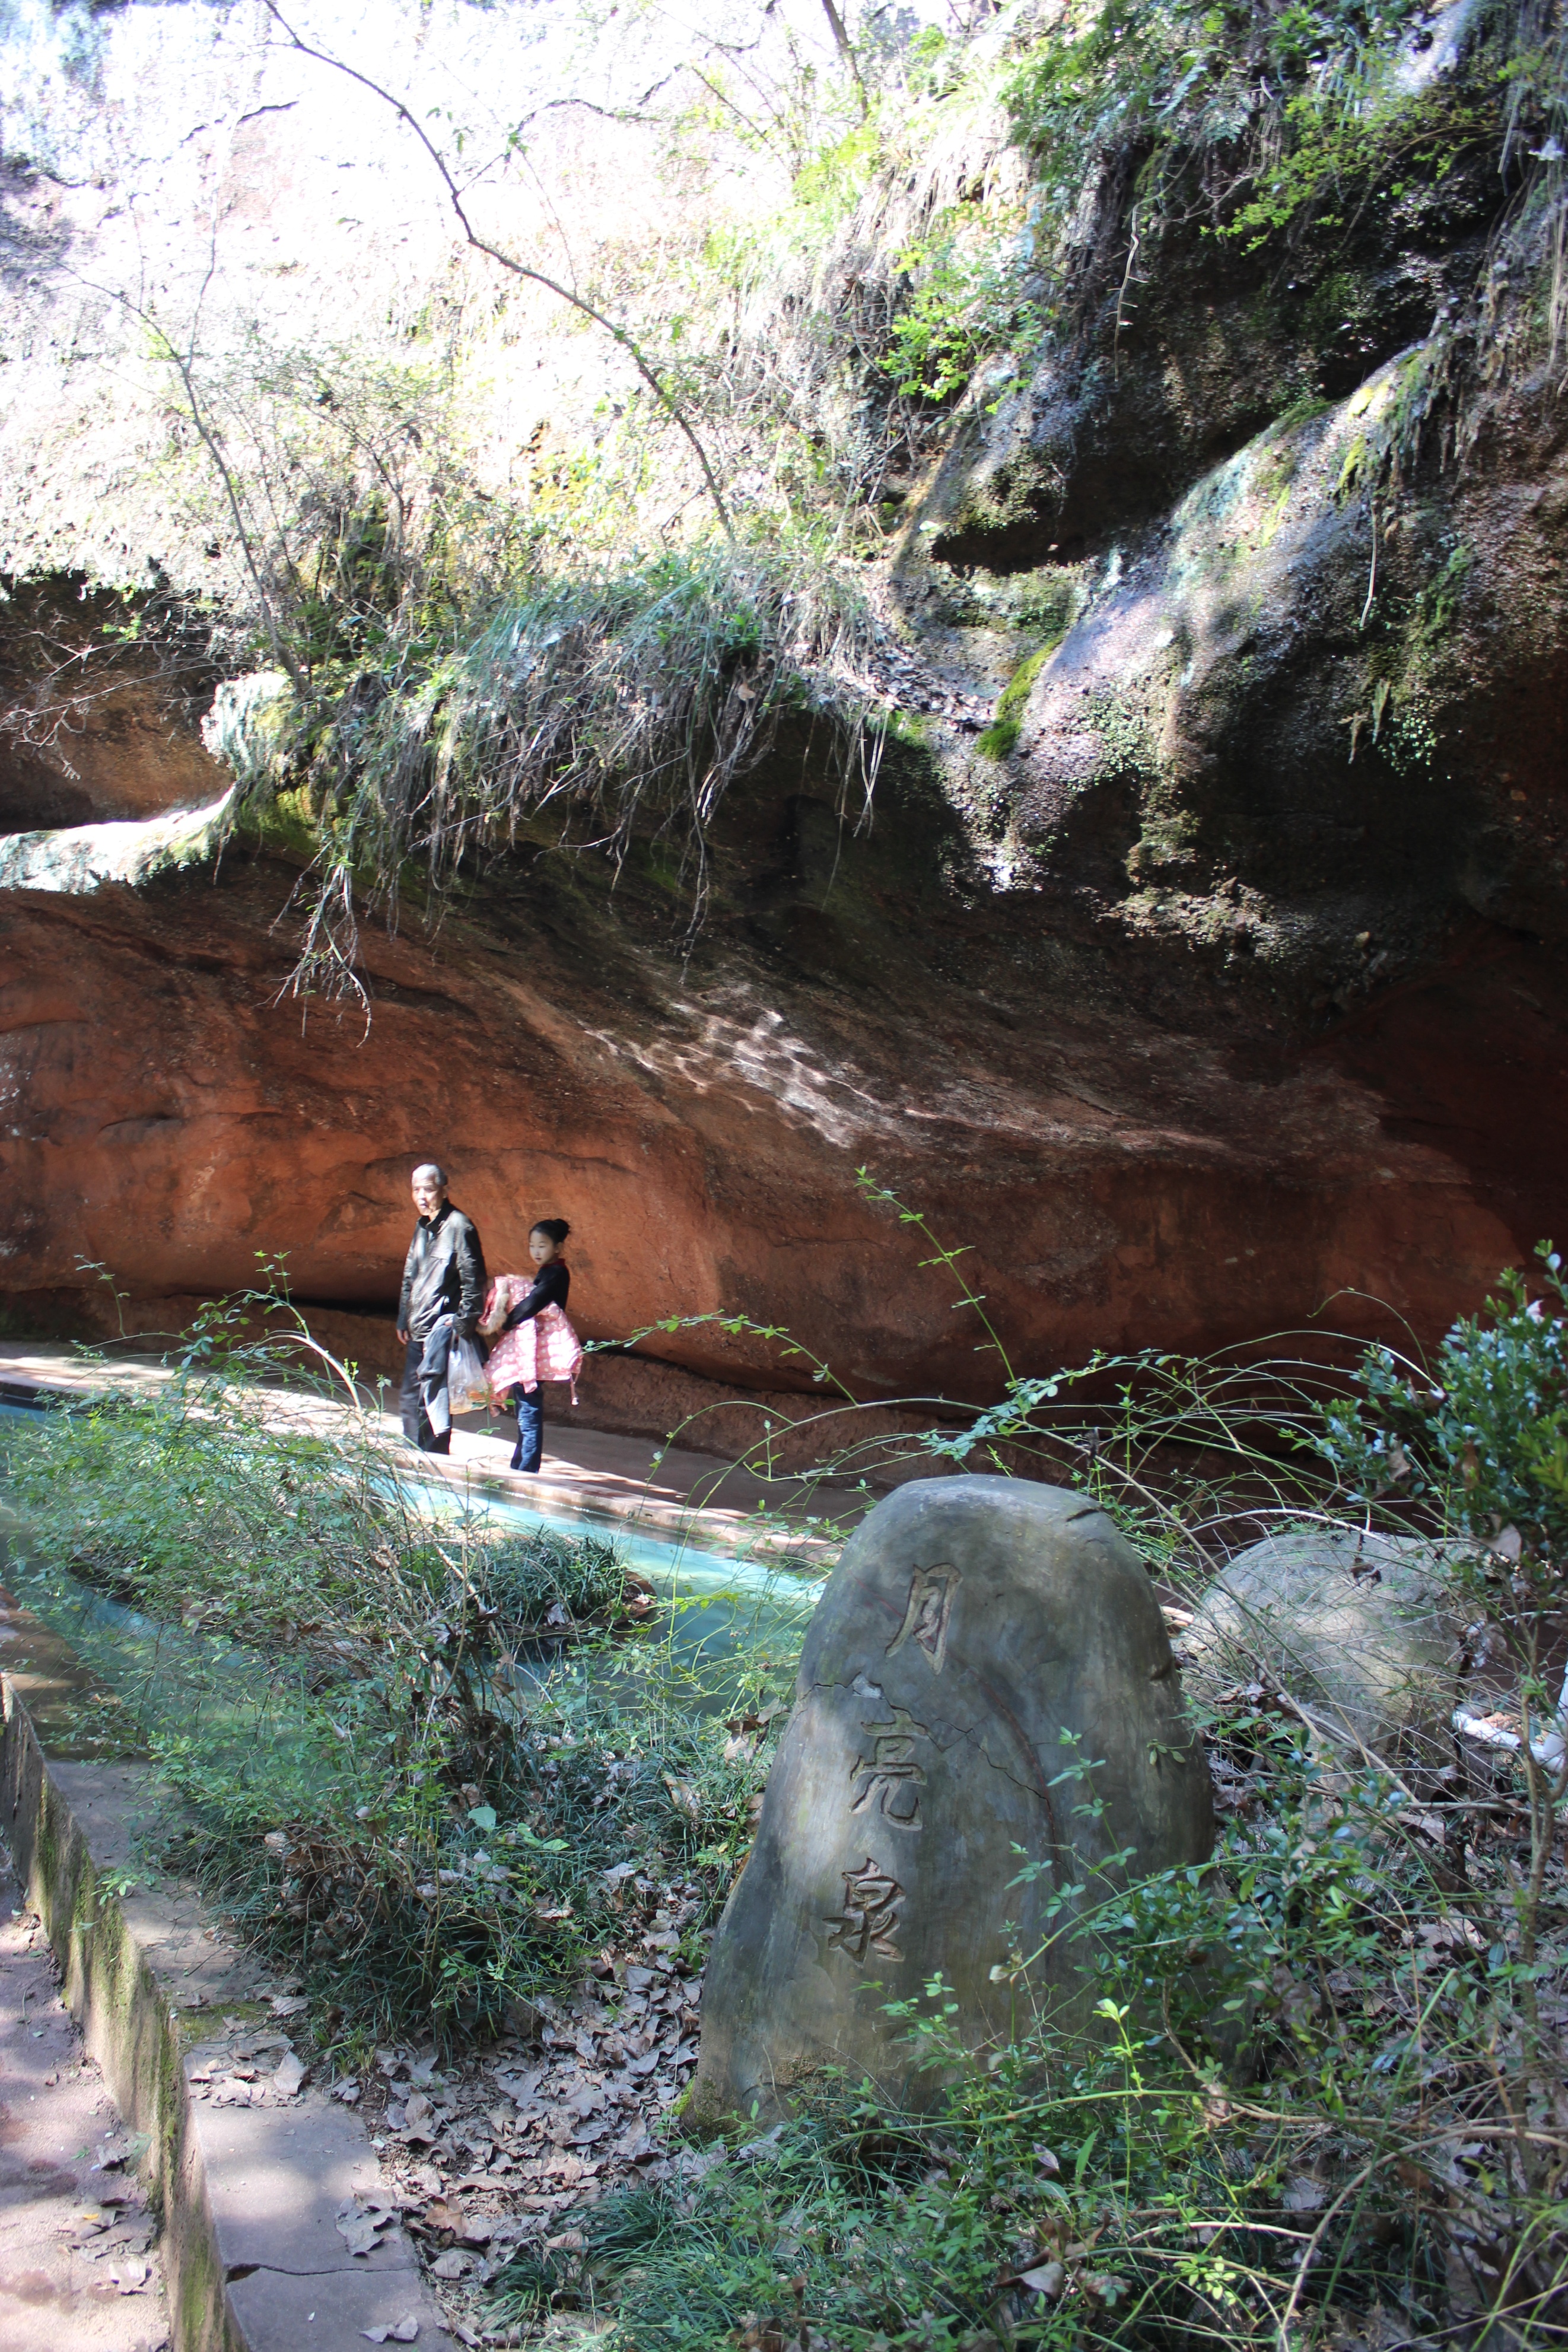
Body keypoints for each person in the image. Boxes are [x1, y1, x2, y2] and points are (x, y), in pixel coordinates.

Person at [395, 1162, 486, 1454]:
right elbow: (411, 1273)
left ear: (443, 1190)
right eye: (416, 1190)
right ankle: (413, 1462)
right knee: (410, 1399)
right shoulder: (422, 1226)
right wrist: (402, 1319)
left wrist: (462, 1325)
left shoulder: (460, 1226)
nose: (422, 1196)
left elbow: (474, 1280)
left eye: (429, 1189)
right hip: (417, 1326)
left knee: (432, 1400)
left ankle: (434, 1462)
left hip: (441, 1331)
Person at [478, 1219, 573, 1474]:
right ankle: (520, 1463)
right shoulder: (549, 1271)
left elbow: (535, 1302)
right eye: (532, 1246)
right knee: (524, 1402)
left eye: (542, 1245)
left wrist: (508, 1322)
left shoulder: (557, 1273)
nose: (536, 1251)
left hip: (536, 1346)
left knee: (529, 1404)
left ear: (558, 1248)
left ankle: (527, 1467)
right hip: (531, 1343)